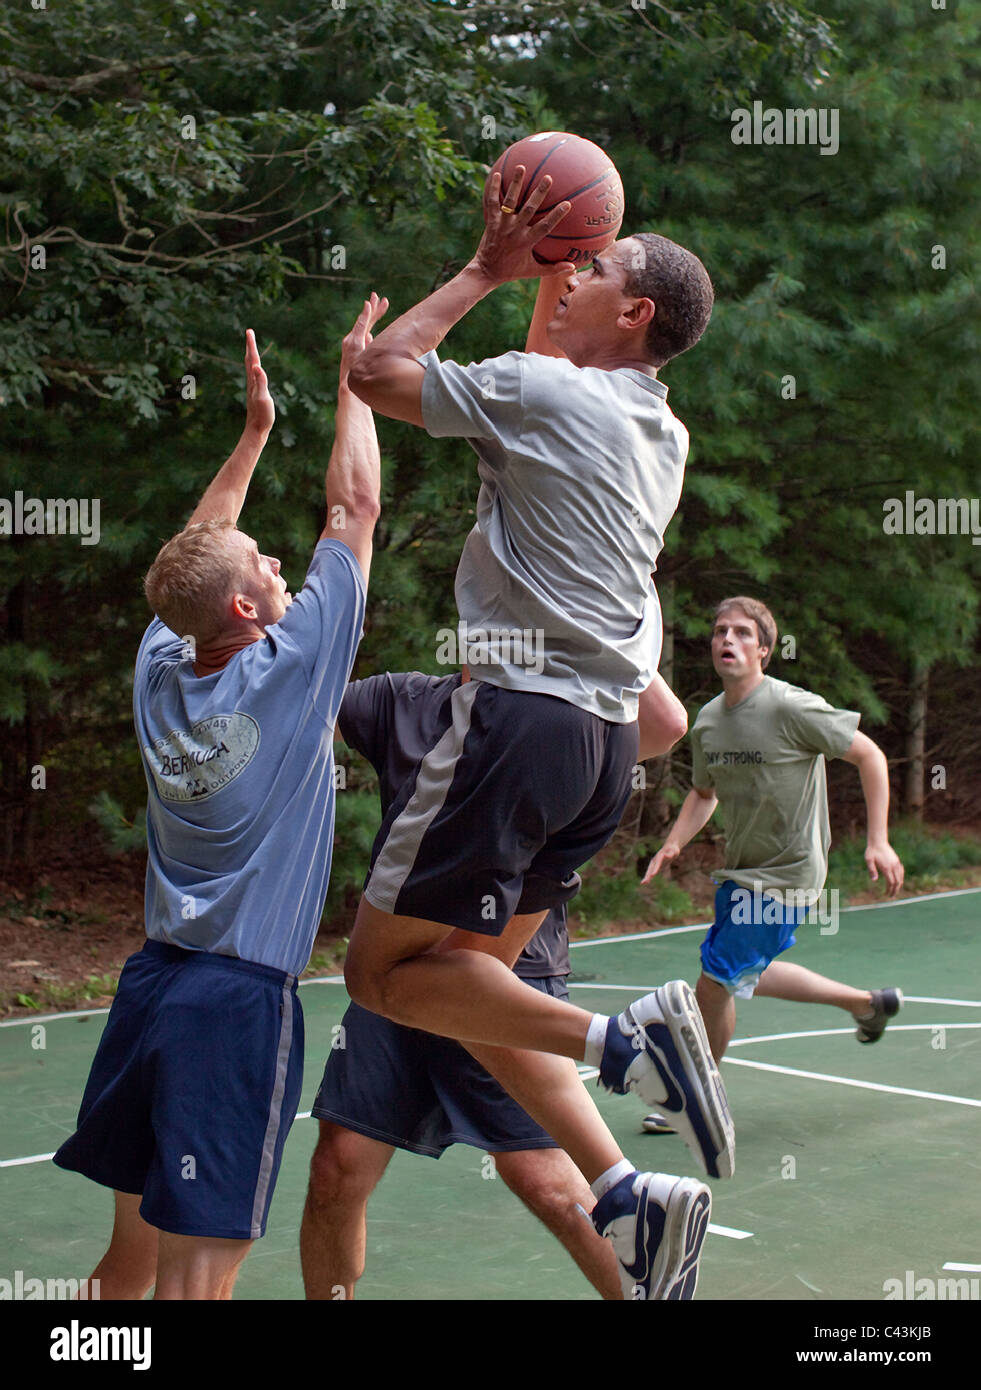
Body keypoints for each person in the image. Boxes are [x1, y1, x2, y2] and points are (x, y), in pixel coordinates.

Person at [342, 168, 730, 1300]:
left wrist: (484, 269)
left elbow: (373, 374)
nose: (575, 274)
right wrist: (547, 281)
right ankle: (627, 1198)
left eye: (595, 267)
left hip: (515, 722)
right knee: (467, 992)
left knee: (381, 976)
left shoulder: (548, 397)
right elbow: (548, 371)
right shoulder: (660, 428)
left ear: (637, 312)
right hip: (603, 753)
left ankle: (631, 1043)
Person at [53, 298, 387, 1300]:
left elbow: (194, 553)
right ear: (245, 607)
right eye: (265, 566)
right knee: (200, 1281)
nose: (281, 563)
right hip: (235, 1002)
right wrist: (353, 382)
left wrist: (252, 435)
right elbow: (353, 511)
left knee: (129, 1267)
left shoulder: (164, 661)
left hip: (150, 988)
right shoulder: (291, 673)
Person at [301, 668, 688, 1301]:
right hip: (402, 965)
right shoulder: (403, 699)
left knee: (550, 1186)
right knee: (336, 1171)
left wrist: (620, 604)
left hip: (504, 969)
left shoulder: (563, 708)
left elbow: (668, 724)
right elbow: (306, 683)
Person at [642, 596, 905, 1128]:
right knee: (744, 974)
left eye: (741, 633)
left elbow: (870, 755)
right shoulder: (709, 722)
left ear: (764, 649)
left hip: (789, 872)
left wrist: (878, 839)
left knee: (714, 982)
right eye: (720, 631)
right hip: (742, 871)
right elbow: (703, 793)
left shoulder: (791, 707)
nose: (727, 640)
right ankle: (865, 1004)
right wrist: (674, 841)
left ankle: (698, 1100)